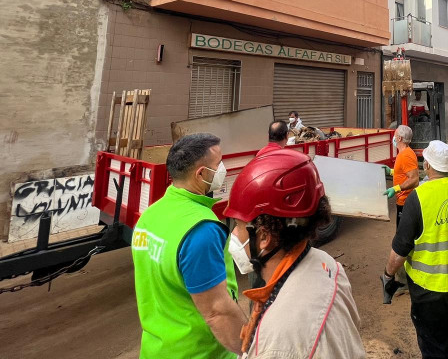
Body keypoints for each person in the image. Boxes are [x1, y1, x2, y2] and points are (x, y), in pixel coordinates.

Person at [224, 150, 366, 358]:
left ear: (263, 237)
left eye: (238, 225)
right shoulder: (327, 264)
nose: (234, 234)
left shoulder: (278, 342)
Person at [132, 133, 244, 358]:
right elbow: (217, 312)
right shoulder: (202, 229)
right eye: (218, 164)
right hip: (199, 353)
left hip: (156, 350)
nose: (222, 169)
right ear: (201, 174)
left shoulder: (149, 216)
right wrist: (251, 349)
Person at [381, 140, 448, 359]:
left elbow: (399, 252)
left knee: (435, 349)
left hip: (429, 294)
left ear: (427, 166)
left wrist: (388, 274)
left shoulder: (418, 198)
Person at [383, 125, 420, 227]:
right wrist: (390, 171)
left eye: (395, 135)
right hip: (403, 201)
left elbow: (414, 179)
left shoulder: (406, 155)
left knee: (402, 237)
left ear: (399, 138)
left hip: (406, 202)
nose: (393, 138)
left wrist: (396, 188)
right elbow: (403, 172)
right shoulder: (404, 153)